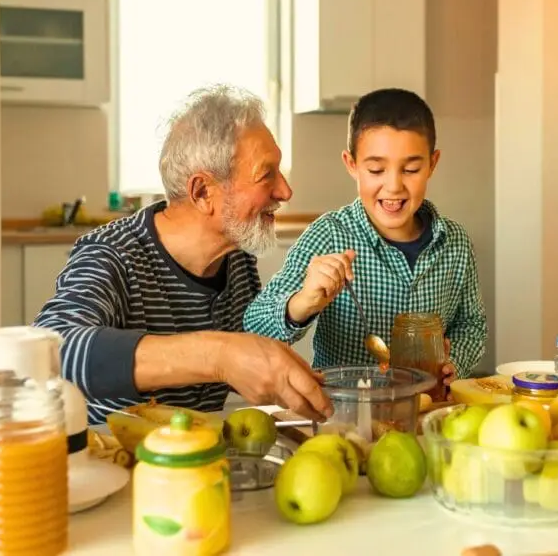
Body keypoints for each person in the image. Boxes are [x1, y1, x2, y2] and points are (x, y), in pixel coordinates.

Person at [33, 84, 333, 425]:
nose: (285, 191)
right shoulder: (112, 254)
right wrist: (219, 355)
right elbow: (53, 350)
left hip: (196, 458)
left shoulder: (236, 259)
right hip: (114, 464)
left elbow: (251, 355)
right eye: (267, 175)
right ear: (203, 191)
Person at [243, 88, 488, 393]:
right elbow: (254, 326)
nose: (394, 185)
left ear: (432, 164)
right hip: (346, 417)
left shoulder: (456, 244)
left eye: (411, 169)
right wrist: (303, 302)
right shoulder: (328, 236)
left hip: (427, 409)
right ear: (352, 164)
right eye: (376, 170)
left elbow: (471, 325)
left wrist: (457, 362)